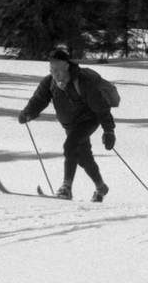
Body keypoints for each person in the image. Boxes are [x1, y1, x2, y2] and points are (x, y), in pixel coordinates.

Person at [18, 49, 116, 202]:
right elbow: (39, 100)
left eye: (57, 68)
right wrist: (28, 113)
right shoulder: (49, 82)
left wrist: (109, 131)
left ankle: (66, 187)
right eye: (51, 68)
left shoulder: (82, 82)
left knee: (70, 146)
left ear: (67, 67)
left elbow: (101, 107)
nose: (54, 71)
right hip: (70, 123)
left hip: (88, 119)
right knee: (83, 158)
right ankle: (100, 186)